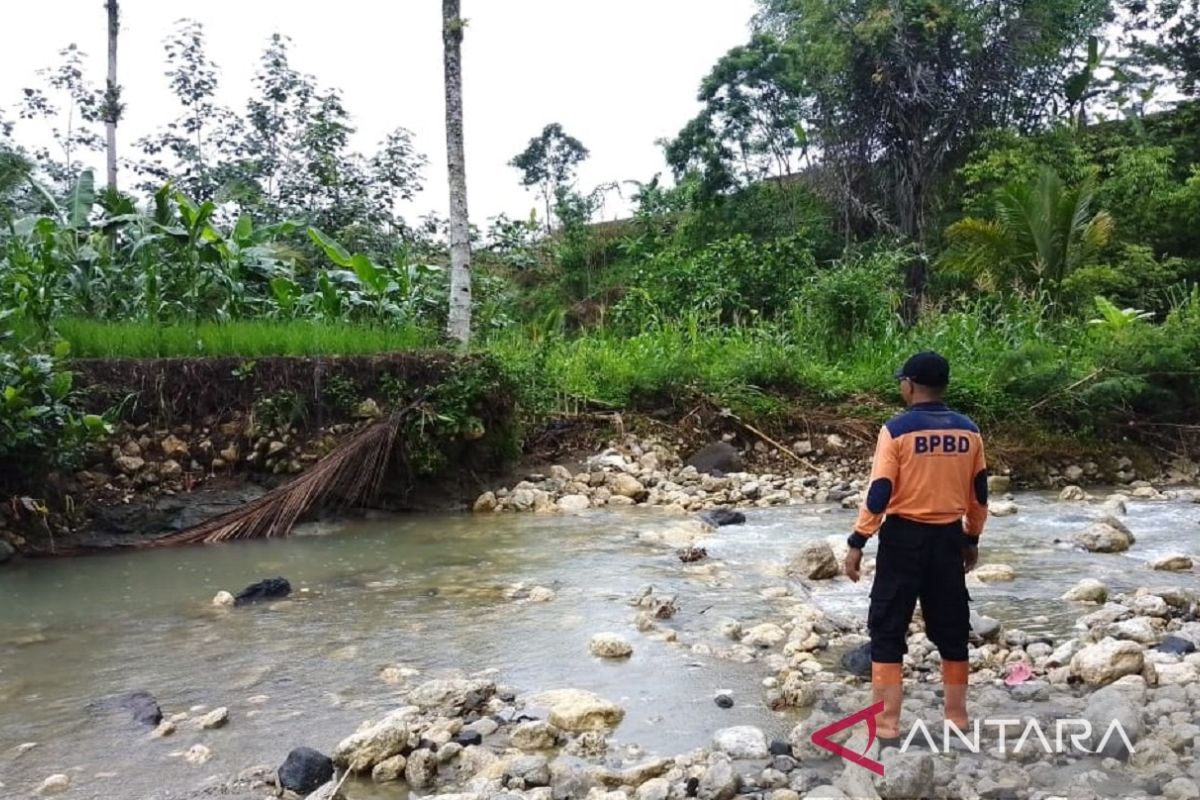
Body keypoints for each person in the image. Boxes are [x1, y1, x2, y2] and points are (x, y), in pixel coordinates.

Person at [843, 351, 988, 743]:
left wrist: (858, 541)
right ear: (944, 385)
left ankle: (888, 726)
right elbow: (979, 494)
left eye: (901, 383)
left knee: (888, 629)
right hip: (947, 540)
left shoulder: (896, 430)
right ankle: (956, 719)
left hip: (903, 540)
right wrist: (971, 538)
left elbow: (880, 492)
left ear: (909, 384)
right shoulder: (969, 432)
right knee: (953, 630)